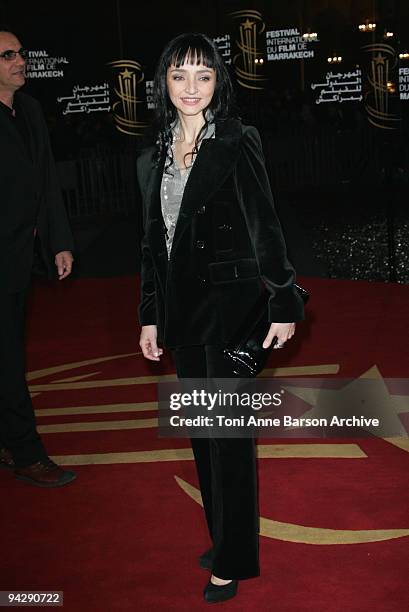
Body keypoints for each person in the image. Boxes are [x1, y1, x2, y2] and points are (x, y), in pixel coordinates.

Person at [138, 32, 305, 603]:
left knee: (230, 440)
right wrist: (149, 318)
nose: (191, 88)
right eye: (180, 75)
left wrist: (283, 301)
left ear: (218, 83)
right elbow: (152, 249)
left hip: (233, 312)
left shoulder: (237, 140)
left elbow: (266, 225)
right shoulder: (151, 156)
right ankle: (222, 534)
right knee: (203, 435)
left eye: (204, 75)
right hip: (184, 318)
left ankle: (233, 558)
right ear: (163, 82)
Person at [0, 26, 76, 487]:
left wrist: (59, 240)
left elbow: (46, 182)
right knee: (9, 360)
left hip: (19, 259)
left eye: (20, 52)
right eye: (7, 55)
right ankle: (26, 452)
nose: (20, 60)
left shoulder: (28, 109)